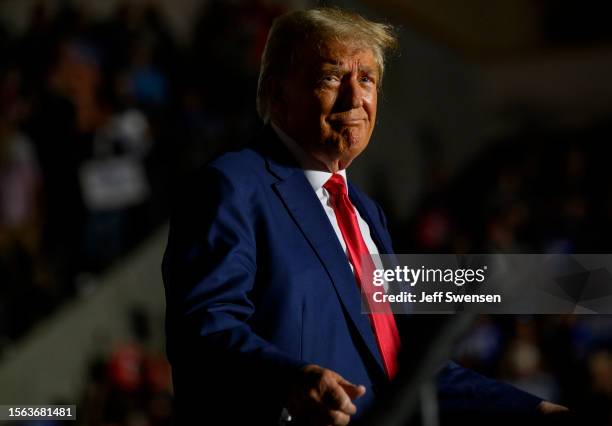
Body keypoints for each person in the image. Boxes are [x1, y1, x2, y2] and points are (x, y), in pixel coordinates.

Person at [162, 7, 568, 425]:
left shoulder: (367, 214)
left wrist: (536, 410)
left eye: (367, 79)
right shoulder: (232, 185)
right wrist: (289, 381)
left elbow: (409, 372)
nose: (356, 97)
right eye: (331, 77)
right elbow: (203, 331)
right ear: (277, 96)